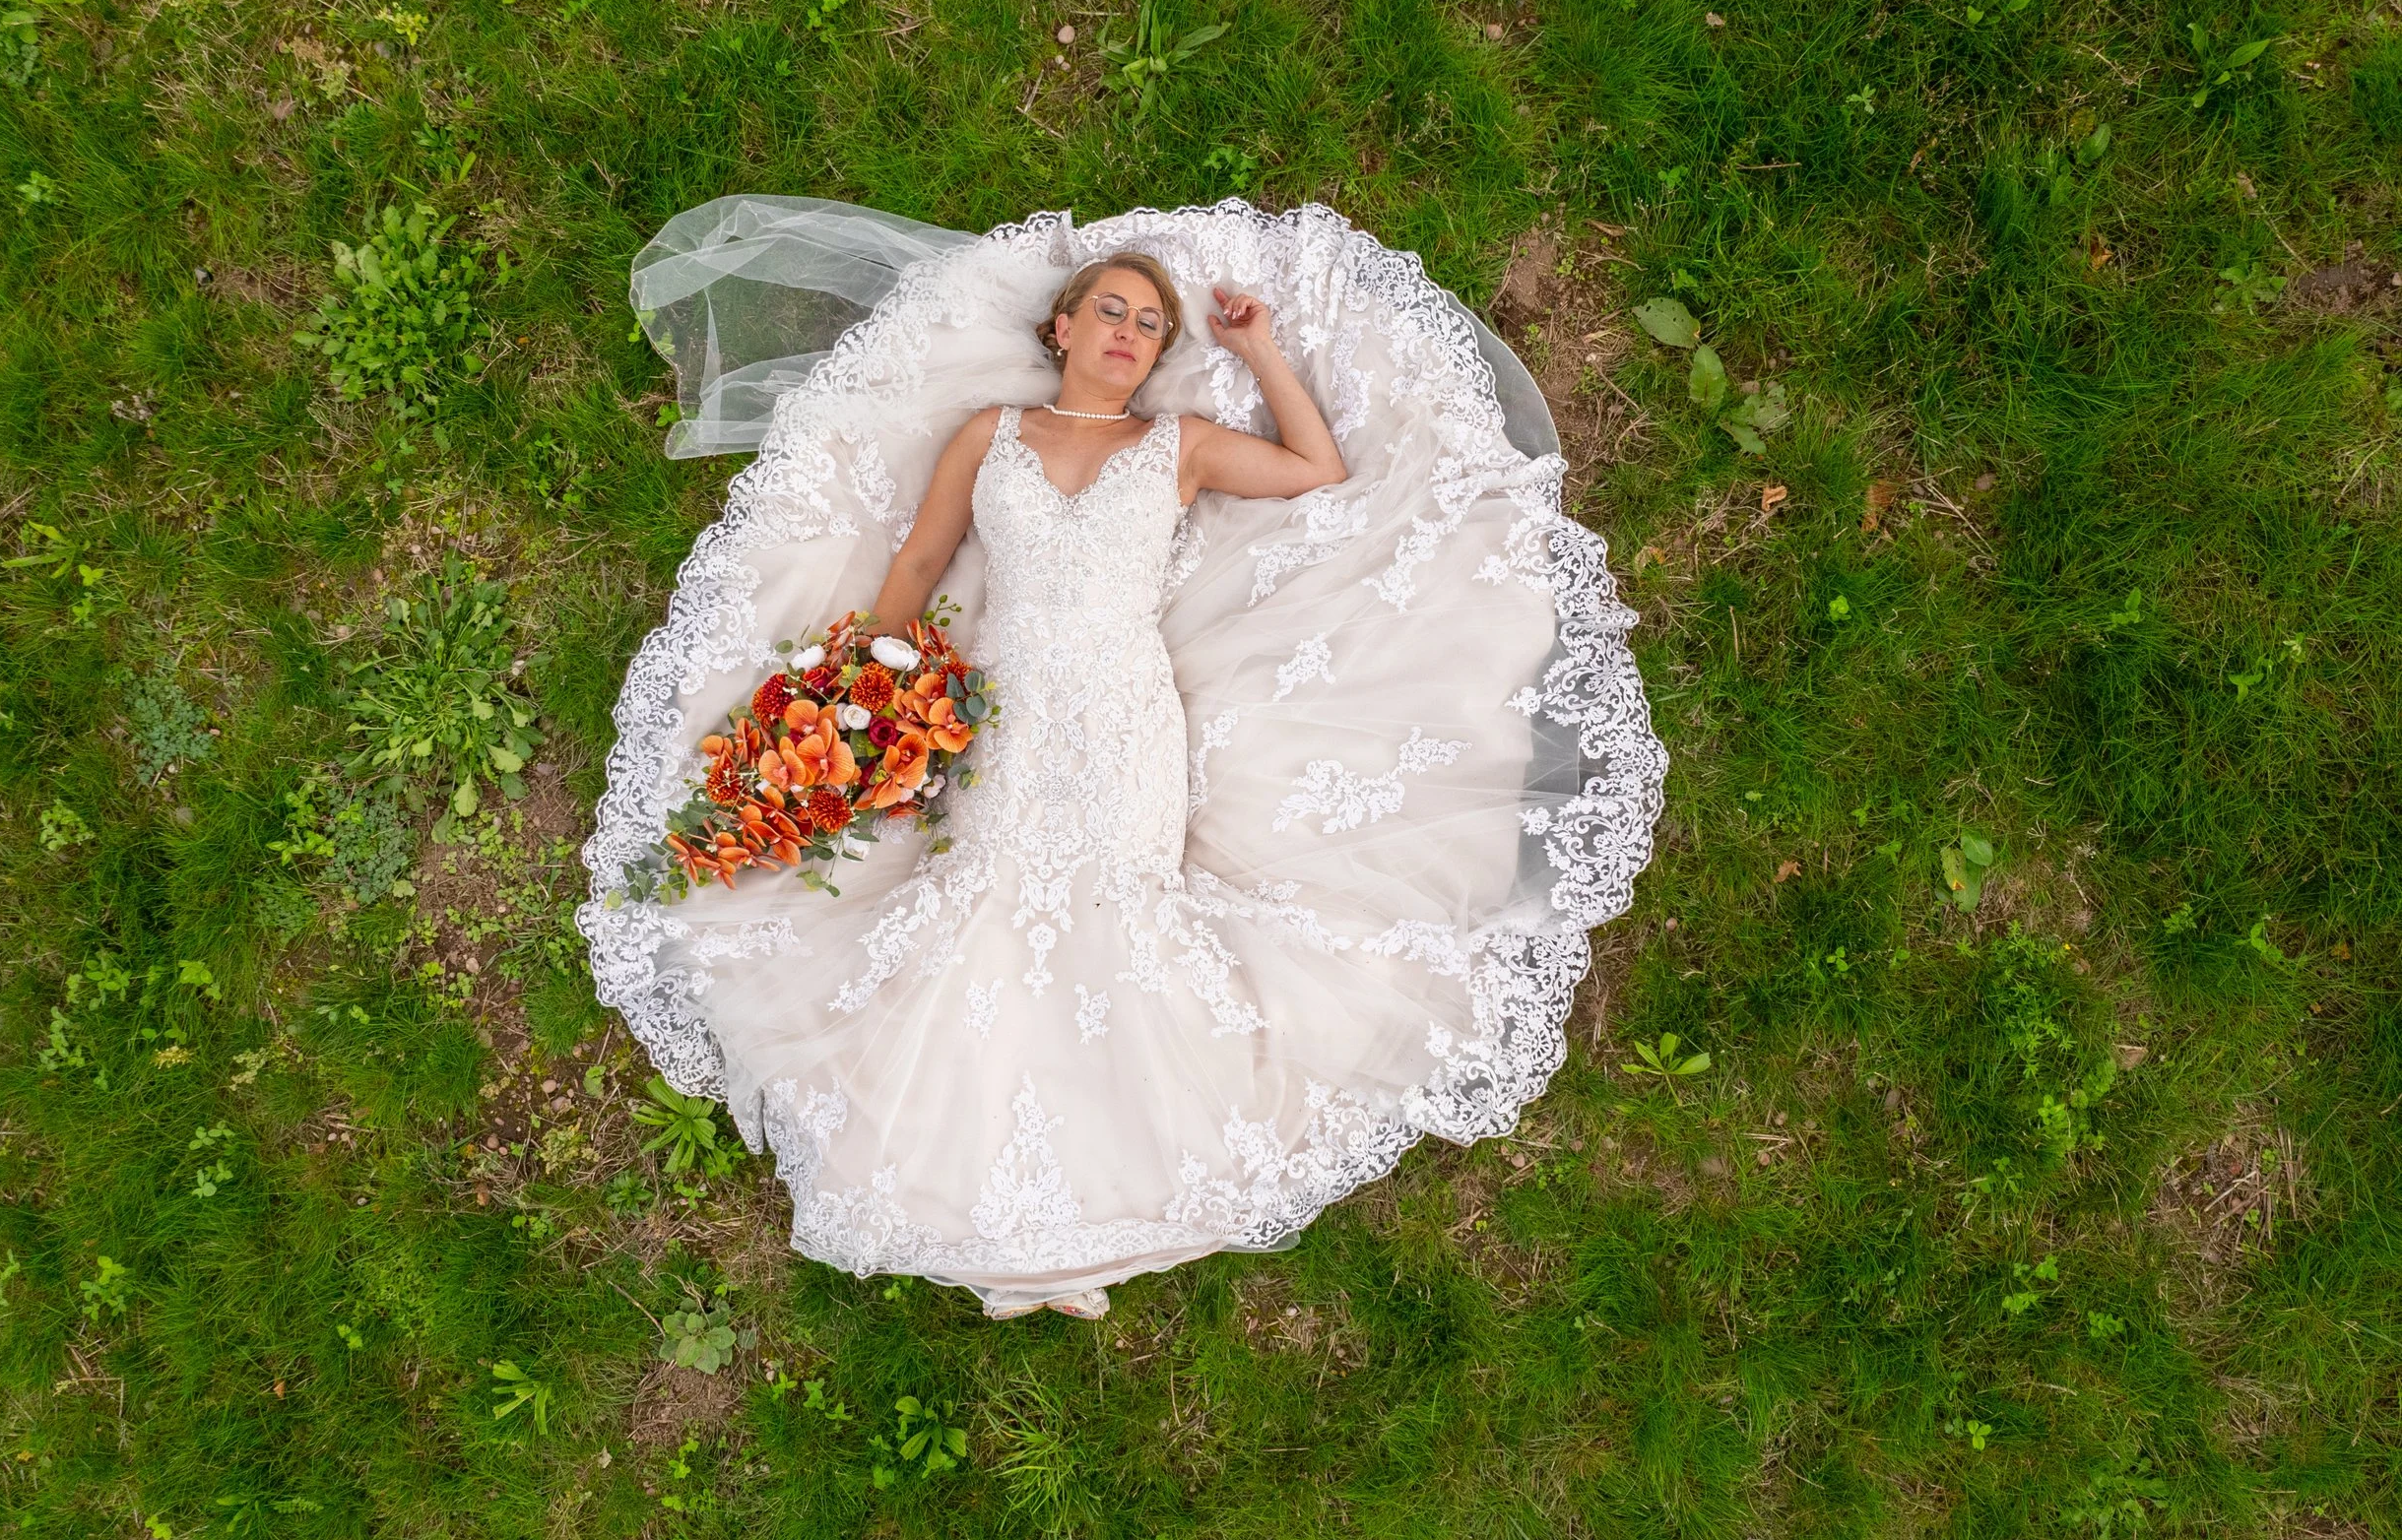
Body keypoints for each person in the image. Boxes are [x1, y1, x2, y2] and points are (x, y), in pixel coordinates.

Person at [577, 201, 1667, 1321]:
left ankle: (1115, 1182)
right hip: (1005, 707)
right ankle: (986, 1187)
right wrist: (861, 690)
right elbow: (919, 557)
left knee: (1112, 907)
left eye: (1150, 324)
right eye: (1110, 310)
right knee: (991, 898)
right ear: (1061, 327)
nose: (1129, 334)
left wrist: (1252, 347)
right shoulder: (989, 434)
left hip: (1123, 715)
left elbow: (1315, 468)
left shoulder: (1177, 448)